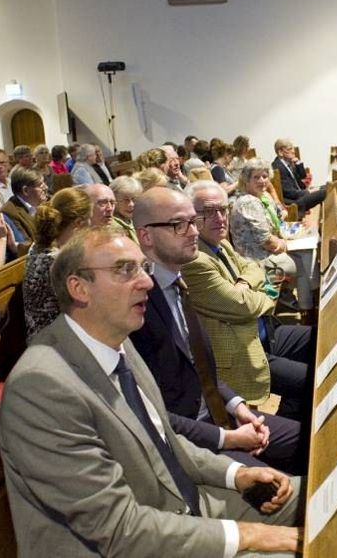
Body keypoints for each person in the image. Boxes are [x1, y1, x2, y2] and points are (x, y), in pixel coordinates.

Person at [0, 226, 303, 557]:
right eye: (125, 270)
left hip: (182, 508)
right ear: (79, 288)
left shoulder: (116, 339)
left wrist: (236, 473)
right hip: (132, 540)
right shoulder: (41, 387)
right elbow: (118, 530)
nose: (147, 282)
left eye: (143, 268)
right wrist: (251, 535)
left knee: (327, 495)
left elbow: (163, 440)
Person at [129, 185, 305, 473]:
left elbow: (200, 366)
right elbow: (153, 408)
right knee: (287, 487)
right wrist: (227, 437)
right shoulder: (139, 303)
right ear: (145, 236)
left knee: (310, 441)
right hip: (187, 437)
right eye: (179, 224)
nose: (194, 231)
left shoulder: (176, 284)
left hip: (217, 409)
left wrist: (237, 407)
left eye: (192, 221)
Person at [186, 181, 314, 423]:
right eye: (208, 212)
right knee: (314, 380)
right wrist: (265, 295)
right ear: (190, 217)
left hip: (262, 331)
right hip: (242, 350)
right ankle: (290, 436)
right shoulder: (195, 261)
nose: (220, 218)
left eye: (223, 210)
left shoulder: (220, 243)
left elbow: (253, 266)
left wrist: (244, 284)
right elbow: (242, 307)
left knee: (319, 339)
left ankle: (292, 412)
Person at [230, 159, 315, 313]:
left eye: (264, 176)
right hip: (256, 259)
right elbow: (266, 241)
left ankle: (309, 300)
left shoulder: (263, 196)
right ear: (246, 180)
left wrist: (295, 233)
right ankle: (307, 308)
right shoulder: (248, 202)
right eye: (256, 177)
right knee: (304, 262)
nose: (262, 181)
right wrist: (287, 244)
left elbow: (279, 218)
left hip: (268, 249)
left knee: (309, 248)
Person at [24, 187, 91, 338]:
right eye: (89, 221)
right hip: (55, 343)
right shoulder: (57, 260)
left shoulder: (40, 244)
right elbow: (86, 303)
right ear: (78, 223)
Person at [271, 138, 325, 215]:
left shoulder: (288, 163)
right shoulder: (278, 167)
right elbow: (288, 192)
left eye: (293, 148)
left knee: (326, 187)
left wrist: (298, 162)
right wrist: (307, 192)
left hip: (299, 194)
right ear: (280, 152)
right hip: (294, 202)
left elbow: (303, 176)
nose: (293, 151)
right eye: (290, 149)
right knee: (324, 192)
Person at [1, 166, 49, 249]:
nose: (46, 187)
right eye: (40, 185)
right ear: (25, 191)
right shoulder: (10, 213)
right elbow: (24, 247)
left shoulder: (47, 202)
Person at [110, 175, 141, 242]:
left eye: (134, 199)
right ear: (114, 200)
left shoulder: (137, 218)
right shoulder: (113, 227)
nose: (131, 204)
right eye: (125, 200)